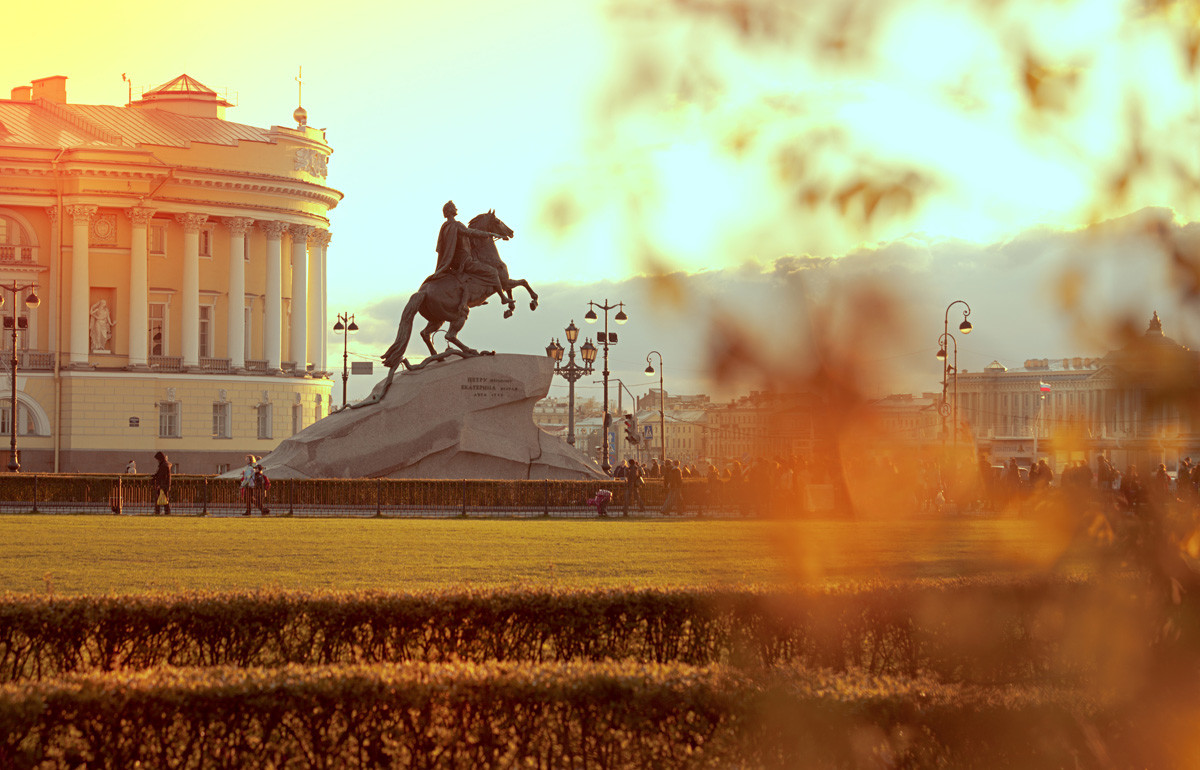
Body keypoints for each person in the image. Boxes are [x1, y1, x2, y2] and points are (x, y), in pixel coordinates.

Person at [430, 200, 510, 315]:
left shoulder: (444, 227)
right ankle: (503, 297)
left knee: (476, 274)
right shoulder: (456, 225)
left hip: (453, 263)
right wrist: (490, 234)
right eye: (454, 207)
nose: (456, 209)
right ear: (451, 211)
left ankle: (477, 296)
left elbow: (441, 247)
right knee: (492, 272)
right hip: (464, 261)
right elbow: (470, 232)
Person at [151, 451, 171, 515]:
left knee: (159, 499)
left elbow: (161, 476)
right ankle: (166, 512)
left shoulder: (163, 465)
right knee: (164, 499)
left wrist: (159, 484)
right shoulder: (165, 464)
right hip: (165, 485)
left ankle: (158, 511)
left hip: (162, 485)